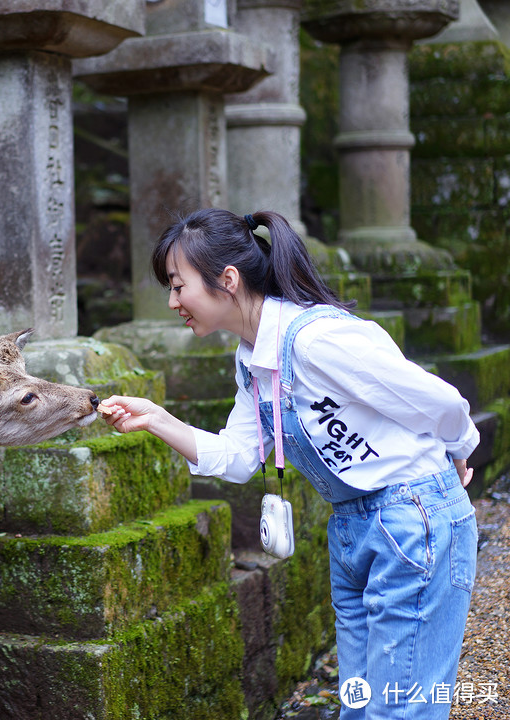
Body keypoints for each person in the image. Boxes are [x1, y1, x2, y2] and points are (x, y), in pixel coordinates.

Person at [101, 208, 478, 720]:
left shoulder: (318, 340)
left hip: (413, 521)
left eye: (177, 285)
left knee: (399, 710)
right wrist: (158, 419)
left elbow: (442, 403)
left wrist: (457, 454)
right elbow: (236, 458)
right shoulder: (253, 357)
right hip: (354, 527)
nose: (172, 302)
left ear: (226, 280)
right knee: (362, 706)